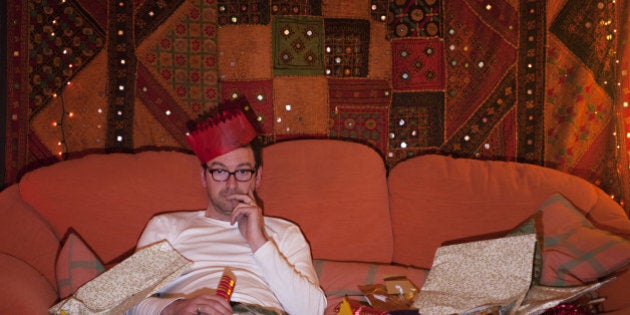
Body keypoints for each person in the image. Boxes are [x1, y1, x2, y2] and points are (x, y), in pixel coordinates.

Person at [126, 105, 327, 315]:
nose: (231, 184)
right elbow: (123, 301)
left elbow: (311, 311)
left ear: (257, 176)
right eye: (220, 171)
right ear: (204, 177)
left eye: (242, 171)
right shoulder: (170, 227)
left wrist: (259, 242)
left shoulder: (285, 232)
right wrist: (172, 308)